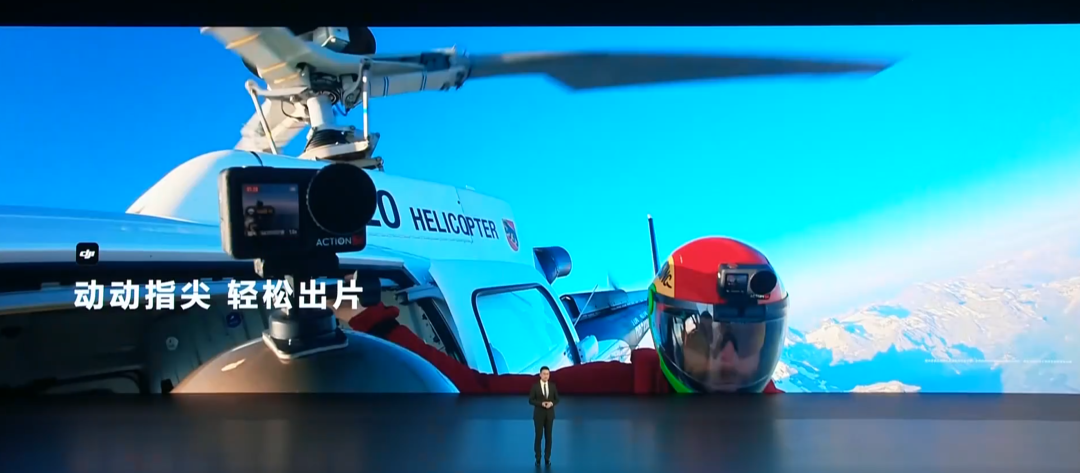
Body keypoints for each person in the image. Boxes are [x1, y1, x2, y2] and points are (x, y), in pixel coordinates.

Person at [331, 236, 788, 395]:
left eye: (747, 341)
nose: (729, 359)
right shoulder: (608, 390)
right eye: (706, 338)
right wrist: (374, 320)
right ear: (668, 334)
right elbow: (479, 392)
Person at [528, 366, 559, 465]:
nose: (546, 376)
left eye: (548, 374)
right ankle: (538, 458)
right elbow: (531, 400)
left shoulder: (552, 386)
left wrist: (551, 403)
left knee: (548, 437)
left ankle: (547, 458)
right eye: (544, 374)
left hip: (549, 415)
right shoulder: (535, 386)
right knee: (539, 436)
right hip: (539, 415)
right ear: (540, 375)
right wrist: (541, 404)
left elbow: (557, 399)